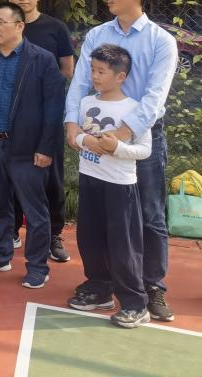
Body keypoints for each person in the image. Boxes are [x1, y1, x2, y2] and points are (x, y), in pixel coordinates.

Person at [64, 0, 178, 322]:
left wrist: (120, 137)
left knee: (149, 214)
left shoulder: (161, 40)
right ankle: (100, 283)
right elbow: (80, 83)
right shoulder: (97, 34)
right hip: (96, 139)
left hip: (139, 137)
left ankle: (151, 286)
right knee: (98, 215)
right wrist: (72, 125)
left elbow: (155, 96)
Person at [0, 2, 65, 289]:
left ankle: (37, 266)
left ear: (19, 26)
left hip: (28, 149)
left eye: (0, 22)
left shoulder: (41, 59)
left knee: (35, 211)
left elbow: (54, 107)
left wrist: (46, 148)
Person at [67, 44, 153, 328]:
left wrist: (118, 148)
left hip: (120, 186)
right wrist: (86, 141)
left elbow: (145, 150)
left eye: (101, 71)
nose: (95, 76)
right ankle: (99, 288)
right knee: (89, 239)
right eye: (92, 70)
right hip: (90, 179)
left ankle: (135, 303)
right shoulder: (85, 103)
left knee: (123, 246)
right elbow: (77, 136)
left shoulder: (134, 109)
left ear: (121, 76)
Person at [7, 0, 74, 263]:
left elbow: (67, 70)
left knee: (51, 176)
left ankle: (52, 235)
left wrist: (42, 93)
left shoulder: (55, 28)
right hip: (10, 117)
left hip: (46, 115)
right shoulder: (4, 26)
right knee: (10, 174)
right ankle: (10, 230)